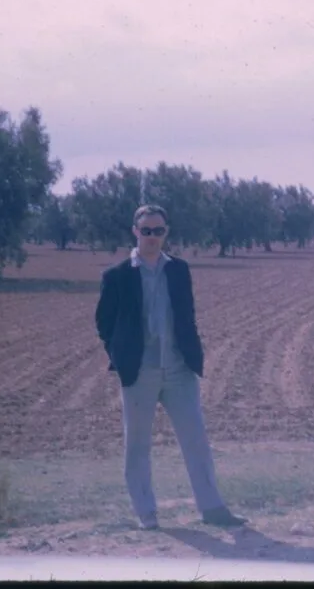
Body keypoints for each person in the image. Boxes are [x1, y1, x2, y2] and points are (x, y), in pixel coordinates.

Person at [95, 204, 246, 530]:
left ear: (166, 232)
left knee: (196, 441)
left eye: (158, 231)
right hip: (139, 372)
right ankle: (147, 515)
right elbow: (103, 323)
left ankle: (213, 509)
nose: (152, 236)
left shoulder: (179, 269)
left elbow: (186, 314)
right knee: (137, 445)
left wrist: (191, 355)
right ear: (135, 231)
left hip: (179, 370)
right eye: (146, 230)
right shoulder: (117, 275)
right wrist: (121, 357)